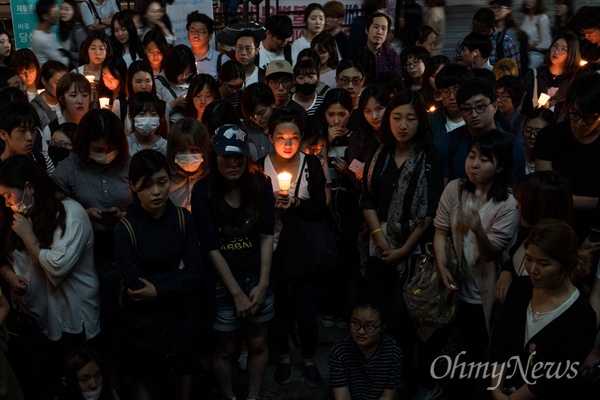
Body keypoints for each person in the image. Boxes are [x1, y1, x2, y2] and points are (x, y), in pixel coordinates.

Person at [0, 155, 100, 395]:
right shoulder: (18, 216)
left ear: (29, 187)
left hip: (73, 319)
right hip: (39, 320)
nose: (6, 202)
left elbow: (57, 268)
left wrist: (28, 236)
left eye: (8, 195)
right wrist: (11, 278)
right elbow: (4, 257)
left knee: (81, 387)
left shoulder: (71, 214)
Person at [191, 124, 275, 400]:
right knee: (225, 347)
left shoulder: (260, 183)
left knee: (258, 343)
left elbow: (266, 235)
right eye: (226, 156)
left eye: (239, 155)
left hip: (257, 275)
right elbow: (211, 248)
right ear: (214, 156)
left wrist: (263, 284)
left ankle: (253, 396)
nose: (234, 162)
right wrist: (236, 293)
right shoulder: (203, 191)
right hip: (222, 284)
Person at [434, 130, 520, 399]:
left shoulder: (507, 204)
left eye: (484, 160)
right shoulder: (454, 189)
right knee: (448, 345)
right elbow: (439, 232)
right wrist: (442, 266)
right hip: (454, 285)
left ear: (501, 166)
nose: (474, 164)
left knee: (477, 350)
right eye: (472, 157)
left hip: (485, 292)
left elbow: (491, 253)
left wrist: (478, 229)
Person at [115, 149, 202, 399]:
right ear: (134, 186)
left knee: (184, 368)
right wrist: (178, 278)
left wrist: (158, 289)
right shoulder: (126, 229)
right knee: (146, 376)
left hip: (181, 315)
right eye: (147, 185)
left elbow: (196, 271)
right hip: (145, 322)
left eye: (162, 182)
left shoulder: (182, 218)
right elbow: (135, 286)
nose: (156, 191)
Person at [52, 109, 131, 383]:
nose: (105, 153)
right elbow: (53, 205)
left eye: (110, 149)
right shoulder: (69, 168)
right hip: (85, 253)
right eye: (98, 149)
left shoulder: (129, 165)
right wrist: (84, 212)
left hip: (125, 249)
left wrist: (126, 217)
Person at [259, 107, 327, 388]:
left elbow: (320, 208)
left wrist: (296, 203)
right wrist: (269, 204)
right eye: (281, 137)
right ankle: (285, 355)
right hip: (271, 250)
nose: (288, 144)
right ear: (270, 136)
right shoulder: (257, 166)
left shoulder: (310, 165)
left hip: (303, 249)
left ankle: (309, 357)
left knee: (307, 310)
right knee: (278, 309)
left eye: (294, 137)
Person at [491, 219, 596, 400]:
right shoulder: (519, 288)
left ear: (567, 265)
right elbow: (500, 343)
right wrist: (496, 389)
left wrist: (510, 398)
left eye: (544, 263)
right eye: (529, 259)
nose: (533, 269)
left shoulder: (582, 317)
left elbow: (550, 379)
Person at [532, 72, 600, 244]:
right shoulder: (549, 137)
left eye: (590, 117)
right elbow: (547, 194)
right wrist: (596, 202)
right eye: (575, 114)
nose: (580, 123)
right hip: (554, 226)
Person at [495, 171, 573, 303]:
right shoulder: (529, 231)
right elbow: (513, 254)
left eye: (522, 201)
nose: (516, 206)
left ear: (539, 206)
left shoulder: (558, 247)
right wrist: (506, 272)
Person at [438, 77, 526, 185]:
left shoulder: (512, 146)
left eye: (480, 107)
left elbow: (514, 193)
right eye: (466, 109)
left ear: (494, 106)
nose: (474, 114)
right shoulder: (449, 142)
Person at [329, 295, 403, 400]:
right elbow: (342, 397)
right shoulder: (340, 349)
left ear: (383, 326)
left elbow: (387, 396)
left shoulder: (393, 350)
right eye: (355, 323)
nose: (361, 331)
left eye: (369, 326)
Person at [521, 32, 580, 116]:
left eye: (563, 49)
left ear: (572, 54)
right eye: (555, 46)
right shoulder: (534, 75)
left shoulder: (573, 80)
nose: (556, 52)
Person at [454, 8, 520, 68]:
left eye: (482, 30)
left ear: (491, 27)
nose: (477, 33)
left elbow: (514, 72)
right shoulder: (463, 43)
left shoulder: (506, 44)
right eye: (474, 28)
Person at [167, 118, 210, 210]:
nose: (188, 155)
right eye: (181, 150)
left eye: (195, 150)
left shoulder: (212, 179)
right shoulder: (165, 180)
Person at [0, 101, 54, 173]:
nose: (30, 138)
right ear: (3, 134)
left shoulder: (43, 161)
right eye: (22, 131)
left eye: (33, 130)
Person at [428, 63, 473, 145]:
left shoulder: (475, 117)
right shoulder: (431, 119)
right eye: (446, 91)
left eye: (457, 90)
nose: (452, 97)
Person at [155, 44, 194, 125]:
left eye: (188, 73)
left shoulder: (194, 79)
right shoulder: (158, 83)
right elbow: (157, 115)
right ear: (171, 69)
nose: (184, 77)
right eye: (180, 73)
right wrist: (174, 103)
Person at [240, 82, 275, 161]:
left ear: (272, 104)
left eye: (262, 113)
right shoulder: (243, 128)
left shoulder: (282, 126)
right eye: (252, 116)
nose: (258, 119)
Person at [186, 11, 226, 79]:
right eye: (192, 31)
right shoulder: (183, 58)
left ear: (210, 36)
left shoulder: (221, 60)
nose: (196, 35)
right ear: (188, 34)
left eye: (201, 32)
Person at [74, 31, 112, 100]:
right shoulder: (76, 73)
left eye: (101, 49)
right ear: (87, 50)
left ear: (107, 51)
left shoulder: (111, 73)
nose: (97, 52)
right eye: (93, 48)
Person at [127, 92, 168, 156]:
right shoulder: (124, 146)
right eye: (141, 114)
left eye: (153, 114)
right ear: (130, 116)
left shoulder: (166, 147)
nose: (148, 119)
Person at [31, 0, 70, 67]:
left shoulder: (46, 32)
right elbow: (63, 62)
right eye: (55, 13)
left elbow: (59, 50)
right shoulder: (42, 38)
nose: (58, 16)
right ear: (45, 16)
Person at [31, 61, 69, 126]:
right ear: (44, 81)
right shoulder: (35, 108)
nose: (61, 86)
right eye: (57, 83)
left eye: (64, 82)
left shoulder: (68, 101)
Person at [364, 12, 402, 77]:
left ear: (387, 34)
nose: (379, 32)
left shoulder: (393, 57)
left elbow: (398, 83)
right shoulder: (357, 55)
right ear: (367, 30)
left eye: (383, 28)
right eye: (376, 27)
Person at [520, 0, 552, 69]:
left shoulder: (542, 18)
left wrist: (532, 47)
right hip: (524, 57)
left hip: (535, 59)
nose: (527, 1)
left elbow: (547, 44)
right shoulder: (526, 17)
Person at [521, 108, 554, 174]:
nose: (532, 136)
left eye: (538, 132)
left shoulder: (553, 162)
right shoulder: (516, 153)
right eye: (528, 131)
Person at [98, 55, 128, 123]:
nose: (108, 81)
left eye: (113, 78)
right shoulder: (101, 92)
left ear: (121, 77)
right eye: (104, 76)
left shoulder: (127, 96)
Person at [58, 0, 87, 69]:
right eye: (61, 8)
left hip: (76, 70)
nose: (63, 12)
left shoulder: (78, 30)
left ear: (74, 12)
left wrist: (68, 53)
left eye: (67, 9)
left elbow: (84, 56)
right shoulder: (63, 28)